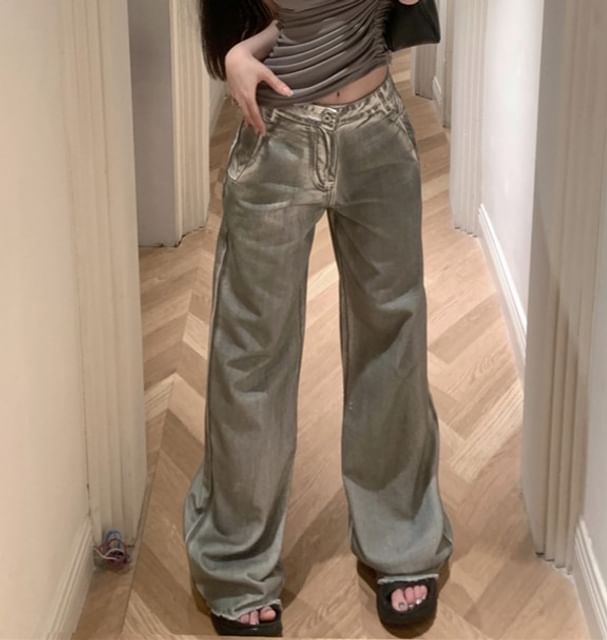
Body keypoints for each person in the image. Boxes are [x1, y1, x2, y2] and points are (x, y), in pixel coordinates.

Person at [182, 0, 454, 636]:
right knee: (251, 353)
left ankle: (402, 537)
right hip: (276, 138)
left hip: (375, 131)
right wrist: (239, 53)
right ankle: (237, 562)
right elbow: (292, 20)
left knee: (393, 338)